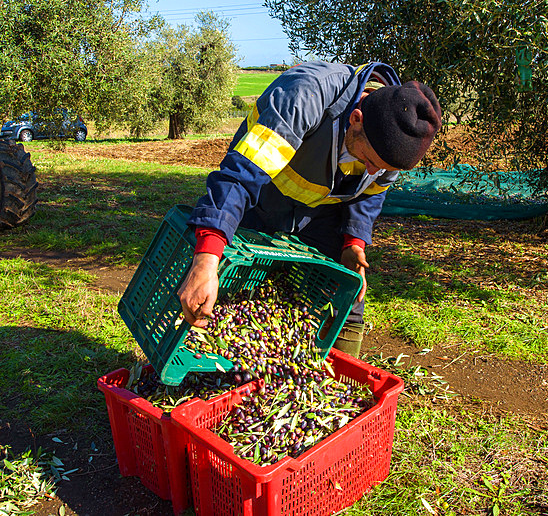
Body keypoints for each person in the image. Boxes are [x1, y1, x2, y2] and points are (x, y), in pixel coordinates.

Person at [177, 60, 442, 357]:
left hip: (321, 214)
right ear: (356, 119)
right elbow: (242, 176)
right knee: (227, 291)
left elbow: (371, 194)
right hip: (261, 197)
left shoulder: (394, 145)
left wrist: (353, 243)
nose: (370, 170)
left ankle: (336, 368)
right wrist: (206, 259)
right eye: (369, 160)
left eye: (380, 169)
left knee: (347, 290)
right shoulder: (305, 96)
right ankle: (204, 361)